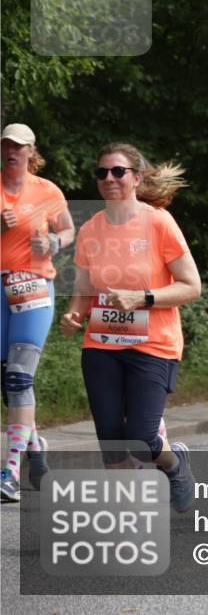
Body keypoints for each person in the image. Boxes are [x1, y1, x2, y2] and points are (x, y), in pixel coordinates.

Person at [59, 142, 199, 512]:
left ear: (136, 178)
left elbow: (192, 286)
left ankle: (175, 465)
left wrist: (144, 298)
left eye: (118, 171)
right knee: (110, 437)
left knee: (140, 435)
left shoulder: (158, 222)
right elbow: (84, 289)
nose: (109, 178)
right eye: (102, 172)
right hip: (101, 344)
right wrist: (74, 314)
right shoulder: (90, 229)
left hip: (153, 345)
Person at [1, 124, 74, 503]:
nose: (11, 152)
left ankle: (11, 471)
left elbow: (69, 230)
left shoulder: (47, 191)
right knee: (7, 380)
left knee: (18, 376)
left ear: (31, 151)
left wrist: (54, 241)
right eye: (6, 146)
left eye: (19, 147)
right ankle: (34, 443)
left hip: (34, 286)